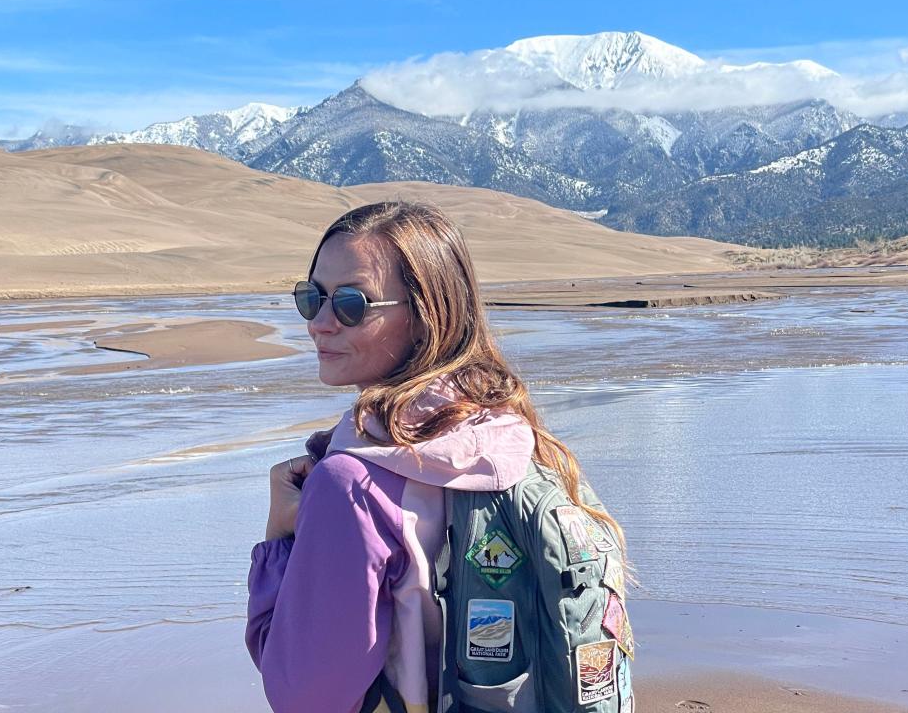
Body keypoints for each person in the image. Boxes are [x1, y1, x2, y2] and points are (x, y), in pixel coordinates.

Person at [245, 202, 627, 713]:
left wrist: (278, 536)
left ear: (426, 318)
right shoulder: (509, 434)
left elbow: (304, 695)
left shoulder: (351, 484)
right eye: (311, 297)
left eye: (352, 304)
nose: (320, 322)